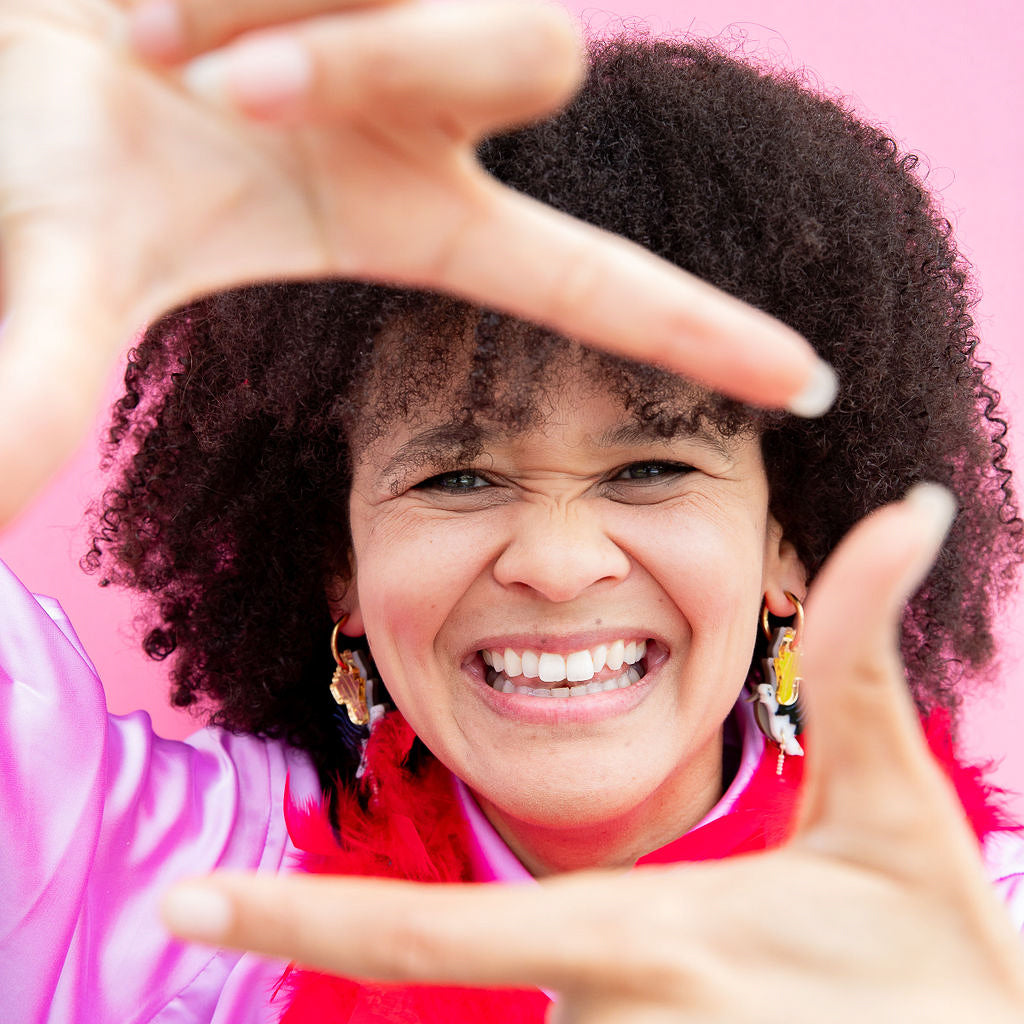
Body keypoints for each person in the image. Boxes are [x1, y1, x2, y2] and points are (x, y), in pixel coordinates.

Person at [3, 2, 1024, 1023]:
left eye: (650, 467)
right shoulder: (154, 883)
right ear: (339, 562)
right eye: (456, 478)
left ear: (788, 541)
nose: (558, 561)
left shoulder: (974, 943)